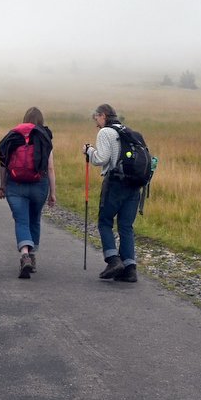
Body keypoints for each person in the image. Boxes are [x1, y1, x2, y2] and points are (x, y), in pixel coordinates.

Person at [0, 107, 56, 278]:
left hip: (15, 185)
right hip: (39, 185)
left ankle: (25, 255)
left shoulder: (13, 135)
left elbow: (3, 163)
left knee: (21, 221)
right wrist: (52, 192)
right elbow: (50, 168)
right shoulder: (43, 136)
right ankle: (32, 255)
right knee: (34, 219)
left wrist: (3, 185)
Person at [85, 103, 139, 282]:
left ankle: (113, 260)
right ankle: (130, 269)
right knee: (126, 226)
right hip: (134, 184)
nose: (96, 123)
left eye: (96, 118)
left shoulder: (105, 132)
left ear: (103, 115)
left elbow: (101, 159)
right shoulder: (129, 132)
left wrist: (89, 151)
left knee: (105, 221)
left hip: (115, 183)